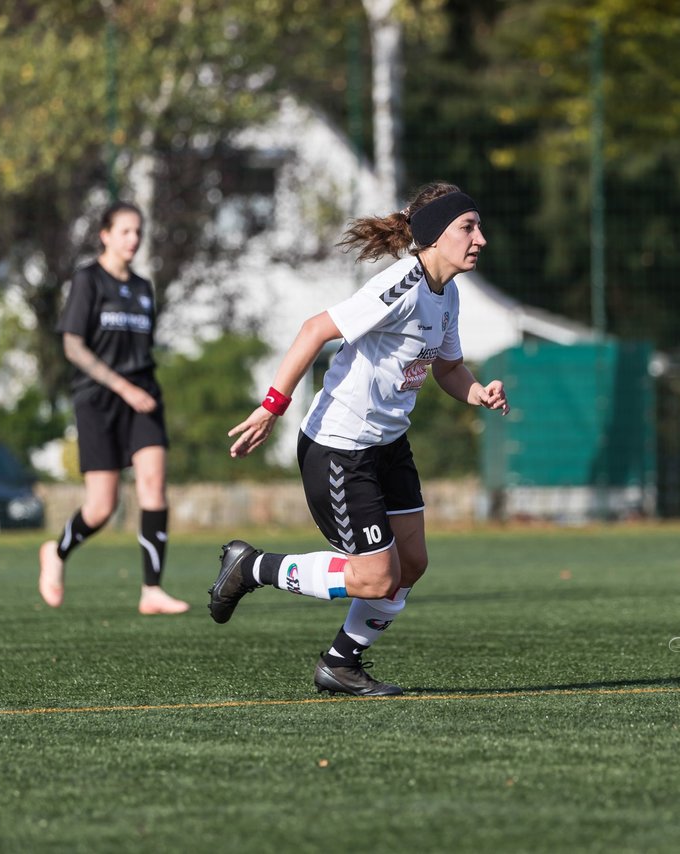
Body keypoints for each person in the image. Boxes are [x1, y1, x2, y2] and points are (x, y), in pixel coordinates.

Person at [206, 182, 508, 696]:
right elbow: (313, 329)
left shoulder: (447, 294)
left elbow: (449, 368)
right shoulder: (403, 286)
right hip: (340, 447)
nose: (480, 238)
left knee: (411, 564)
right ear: (434, 235)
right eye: (468, 227)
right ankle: (251, 566)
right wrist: (271, 407)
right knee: (374, 578)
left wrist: (477, 391)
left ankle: (340, 664)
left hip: (388, 444)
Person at [37, 201, 190, 616]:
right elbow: (72, 345)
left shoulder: (143, 288)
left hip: (144, 396)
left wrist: (136, 389)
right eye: (125, 231)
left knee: (153, 484)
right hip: (99, 399)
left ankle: (152, 590)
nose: (133, 239)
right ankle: (56, 551)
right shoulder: (88, 280)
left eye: (138, 232)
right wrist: (122, 387)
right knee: (102, 506)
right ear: (104, 235)